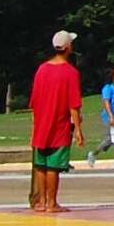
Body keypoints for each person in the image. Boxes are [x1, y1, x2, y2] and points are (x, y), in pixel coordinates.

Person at [29, 30, 84, 214]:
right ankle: (52, 203)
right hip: (59, 125)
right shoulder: (71, 73)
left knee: (41, 164)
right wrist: (78, 130)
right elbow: (74, 105)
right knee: (53, 165)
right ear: (68, 47)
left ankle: (42, 201)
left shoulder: (41, 69)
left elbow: (34, 101)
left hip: (40, 124)